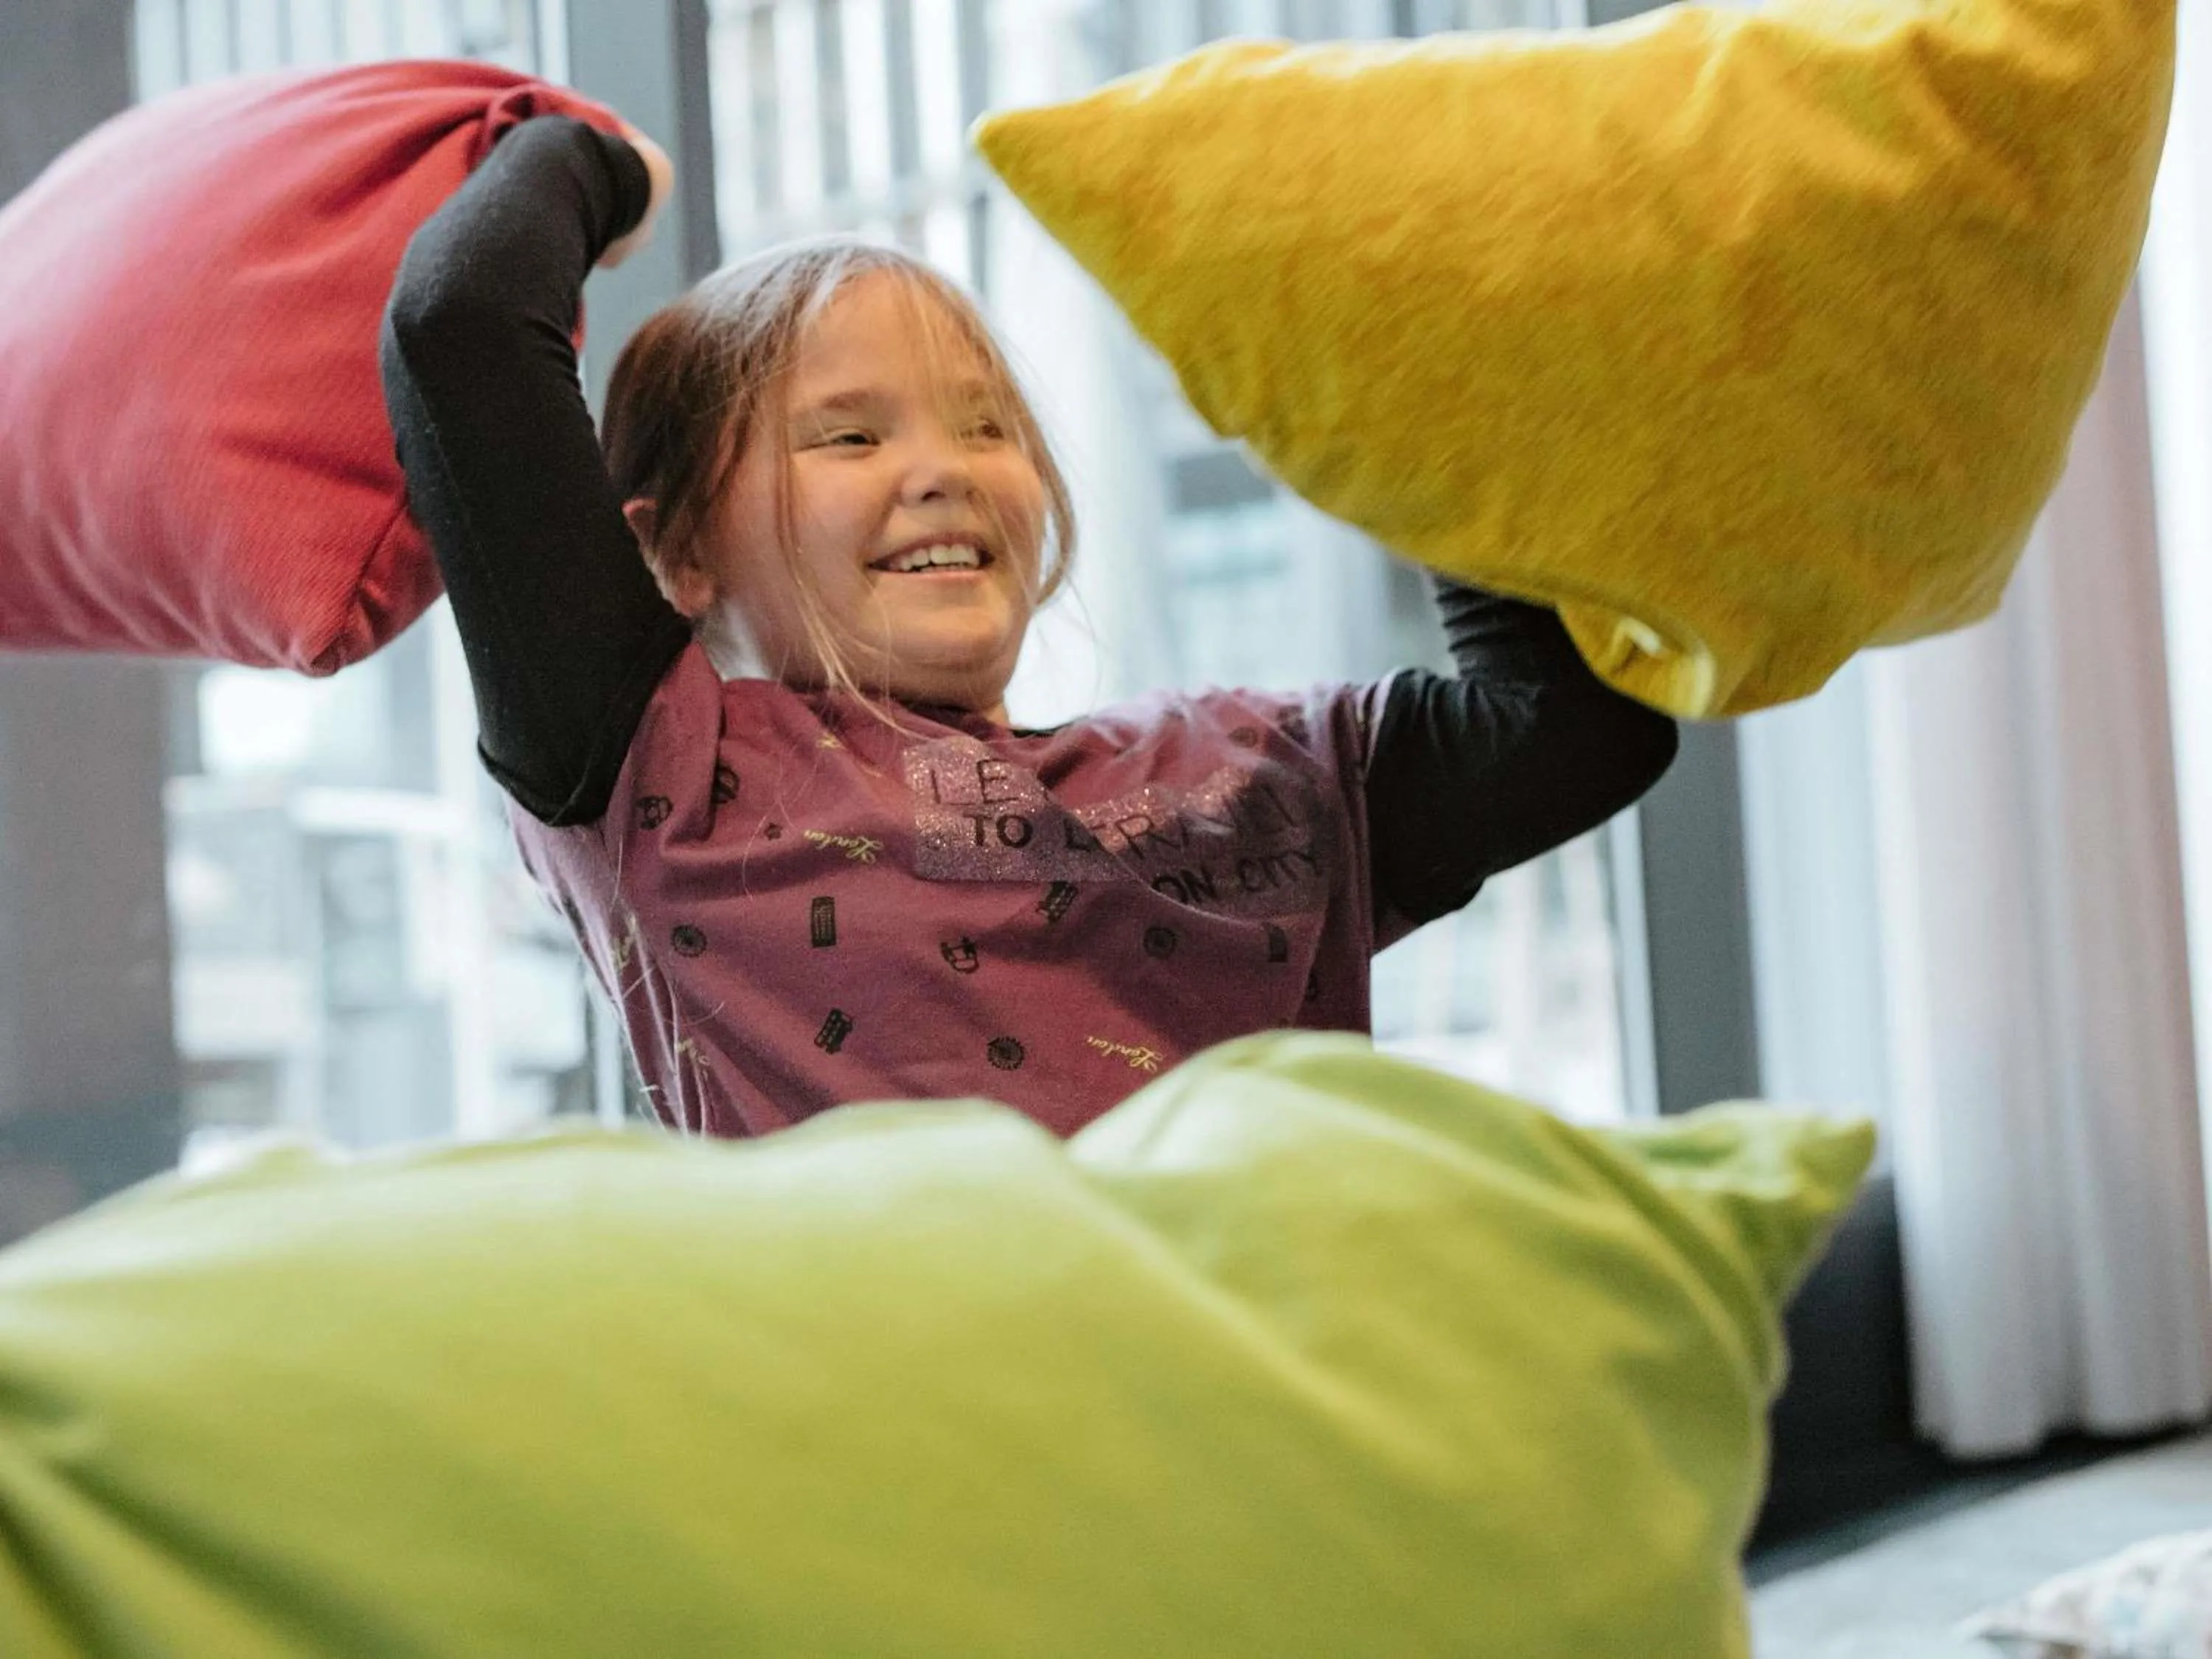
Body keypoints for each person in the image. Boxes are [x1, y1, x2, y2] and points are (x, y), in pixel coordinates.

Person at [380, 116, 1679, 1138]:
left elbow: (1577, 732)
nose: (948, 469)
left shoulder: (1249, 775)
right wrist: (606, 168)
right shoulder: (662, 775)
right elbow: (461, 325)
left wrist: (1405, 361)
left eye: (989, 424)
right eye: (849, 433)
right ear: (676, 552)